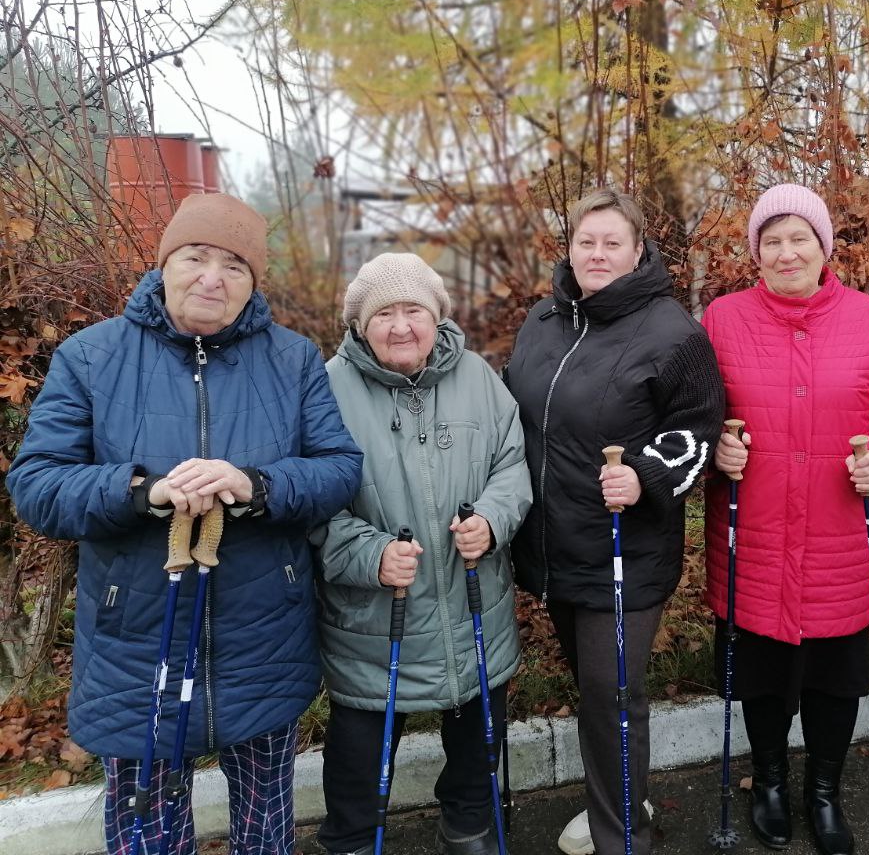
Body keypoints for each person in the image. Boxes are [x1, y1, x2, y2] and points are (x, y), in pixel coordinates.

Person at [6, 194, 363, 855]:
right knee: (147, 827)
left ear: (253, 282)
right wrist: (145, 491)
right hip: (136, 642)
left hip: (263, 636)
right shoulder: (92, 357)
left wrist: (255, 485)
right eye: (196, 257)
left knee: (265, 823)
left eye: (234, 266)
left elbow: (340, 469)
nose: (212, 278)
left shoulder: (292, 360)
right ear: (164, 263)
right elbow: (36, 486)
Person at [703, 183, 869, 855]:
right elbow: (690, 408)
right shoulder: (722, 318)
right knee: (760, 677)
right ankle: (770, 784)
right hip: (755, 535)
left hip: (839, 534)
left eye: (799, 237)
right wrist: (716, 448)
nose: (786, 252)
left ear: (824, 246)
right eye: (771, 241)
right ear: (756, 253)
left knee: (835, 679)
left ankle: (824, 791)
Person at [504, 188, 724, 855]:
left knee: (611, 697)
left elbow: (697, 433)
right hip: (553, 545)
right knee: (599, 694)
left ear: (637, 251)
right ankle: (622, 797)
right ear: (569, 247)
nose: (597, 254)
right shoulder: (545, 319)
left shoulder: (672, 333)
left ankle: (623, 834)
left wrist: (646, 473)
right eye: (586, 241)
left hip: (625, 550)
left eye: (612, 243)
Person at [313, 253, 532, 855]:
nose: (402, 326)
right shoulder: (326, 389)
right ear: (360, 325)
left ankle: (468, 823)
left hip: (472, 606)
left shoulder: (477, 378)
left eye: (414, 311)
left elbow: (512, 464)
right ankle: (352, 839)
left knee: (477, 740)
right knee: (360, 755)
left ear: (437, 317)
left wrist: (491, 519)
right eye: (384, 314)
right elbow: (310, 504)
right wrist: (370, 554)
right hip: (374, 621)